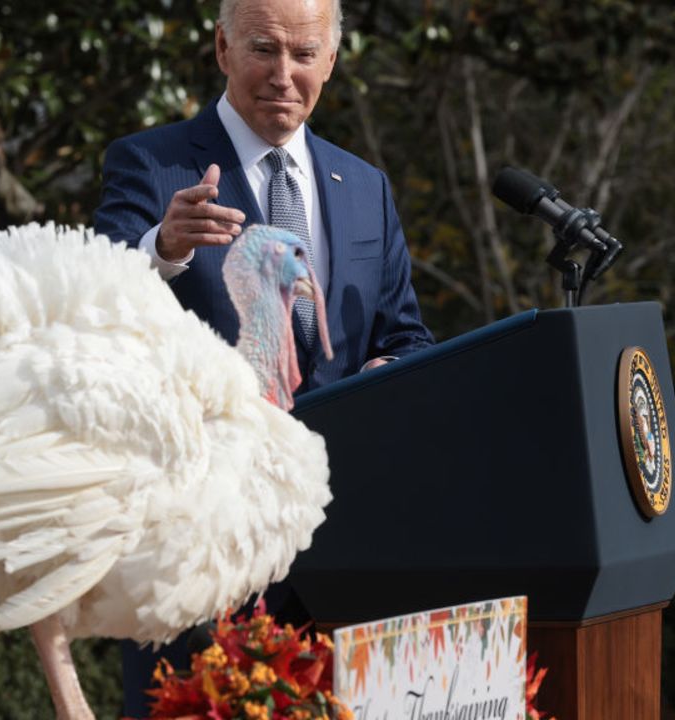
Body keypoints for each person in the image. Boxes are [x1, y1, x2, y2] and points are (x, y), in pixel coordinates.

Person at [93, 0, 435, 713]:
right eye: (263, 49)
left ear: (331, 62)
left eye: (304, 54)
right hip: (202, 552)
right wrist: (163, 247)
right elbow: (94, 305)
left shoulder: (365, 187)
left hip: (346, 557)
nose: (284, 74)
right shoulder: (151, 164)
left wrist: (389, 374)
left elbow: (405, 337)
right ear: (222, 49)